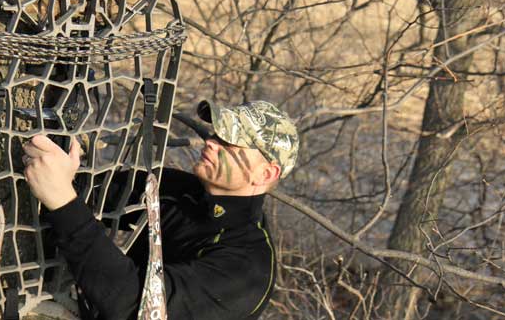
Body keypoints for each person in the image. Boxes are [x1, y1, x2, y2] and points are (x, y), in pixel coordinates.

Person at [22, 100, 299, 319]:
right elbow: (96, 192)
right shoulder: (181, 191)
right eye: (216, 133)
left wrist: (63, 201)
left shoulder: (247, 268)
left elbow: (136, 306)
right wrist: (63, 167)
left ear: (265, 174)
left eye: (230, 142)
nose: (212, 142)